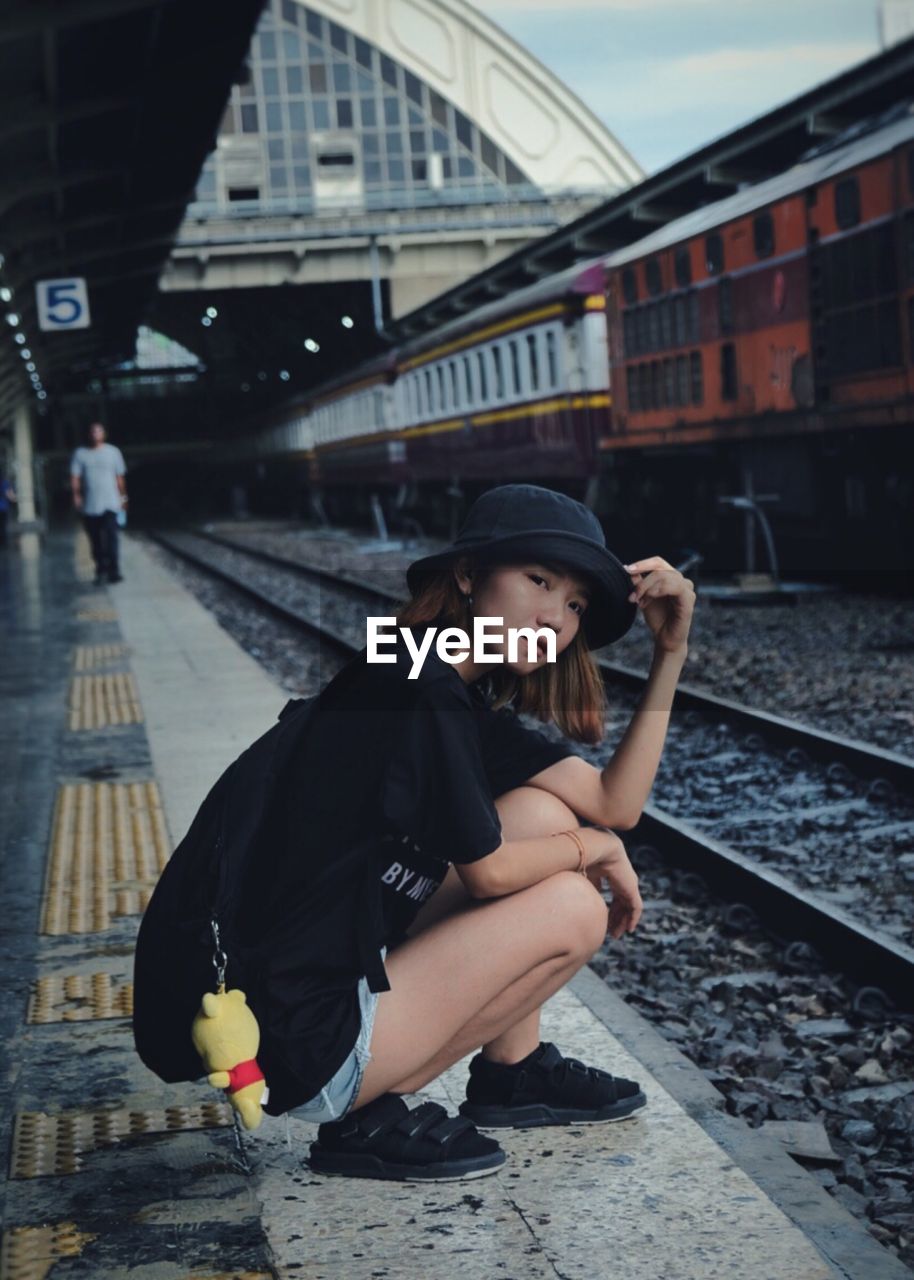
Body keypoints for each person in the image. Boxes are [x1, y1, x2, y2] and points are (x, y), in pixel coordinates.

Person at [190, 484, 695, 1182]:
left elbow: (616, 802)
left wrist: (671, 650)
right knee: (577, 905)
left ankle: (512, 1074)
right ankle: (365, 1111)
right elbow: (493, 872)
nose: (555, 616)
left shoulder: (433, 673)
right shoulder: (420, 691)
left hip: (305, 995)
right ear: (466, 574)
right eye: (539, 580)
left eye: (576, 604)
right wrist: (596, 850)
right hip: (311, 1043)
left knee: (543, 816)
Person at [70, 422, 127, 584]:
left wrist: (123, 498)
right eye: (92, 431)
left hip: (111, 503)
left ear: (104, 434)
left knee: (112, 538)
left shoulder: (113, 452)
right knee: (95, 540)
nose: (95, 434)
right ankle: (100, 569)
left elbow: (119, 477)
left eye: (99, 431)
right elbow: (75, 477)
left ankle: (114, 570)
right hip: (90, 505)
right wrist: (76, 496)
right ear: (88, 434)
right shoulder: (80, 454)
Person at [0, 471, 16, 547]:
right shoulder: (5, 482)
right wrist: (14, 499)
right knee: (3, 525)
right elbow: (9, 495)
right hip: (3, 508)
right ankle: (3, 543)